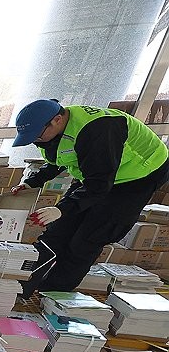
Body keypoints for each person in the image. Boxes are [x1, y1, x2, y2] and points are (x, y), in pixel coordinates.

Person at [10, 99, 169, 296]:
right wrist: (33, 181)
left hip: (137, 177)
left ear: (57, 120)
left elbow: (99, 185)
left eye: (37, 136)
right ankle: (20, 287)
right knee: (56, 234)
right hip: (96, 174)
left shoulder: (98, 131)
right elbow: (60, 158)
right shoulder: (54, 132)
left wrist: (61, 209)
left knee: (86, 241)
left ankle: (52, 295)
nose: (36, 141)